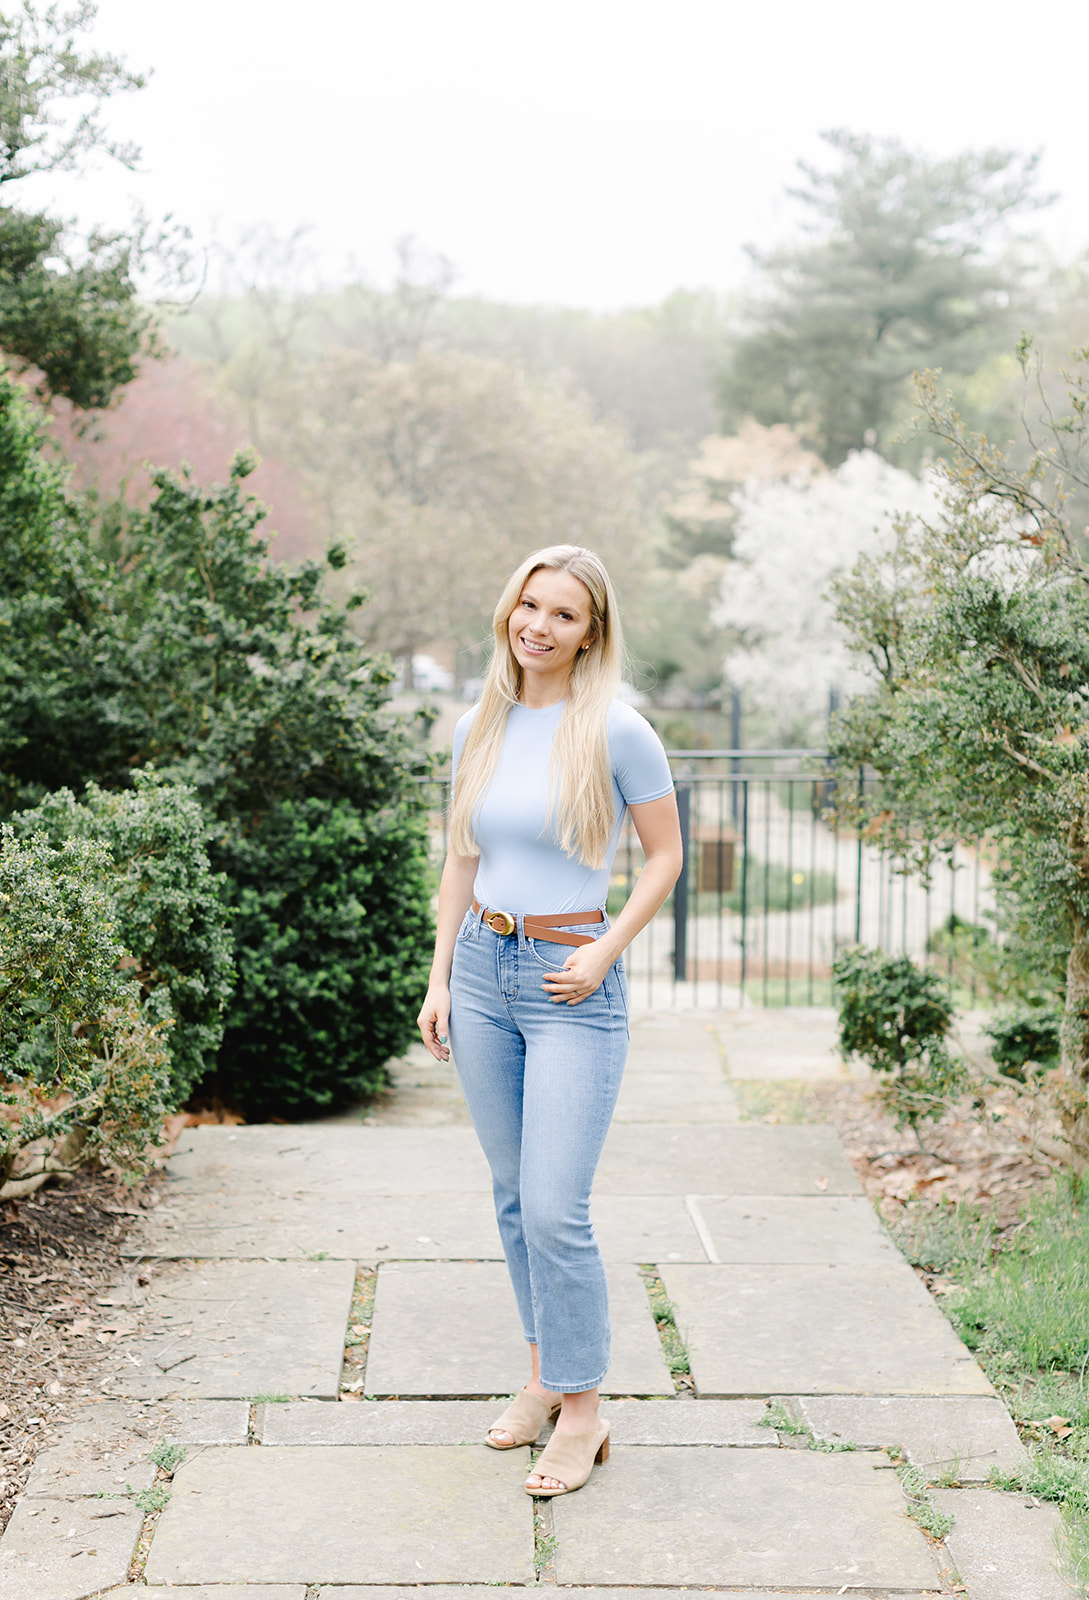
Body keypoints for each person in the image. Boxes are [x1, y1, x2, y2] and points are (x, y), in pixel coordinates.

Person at [417, 544, 682, 1497]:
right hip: (482, 973)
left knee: (557, 1207)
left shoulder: (617, 731)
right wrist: (441, 977)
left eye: (562, 614)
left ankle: (582, 1412)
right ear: (509, 611)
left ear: (591, 631)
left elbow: (663, 857)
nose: (538, 625)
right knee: (512, 1195)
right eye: (529, 605)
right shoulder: (476, 726)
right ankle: (541, 1376)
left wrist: (605, 950)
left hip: (572, 982)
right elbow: (459, 860)